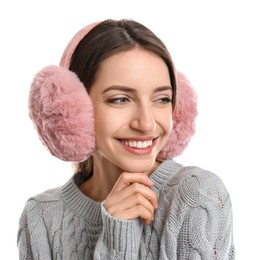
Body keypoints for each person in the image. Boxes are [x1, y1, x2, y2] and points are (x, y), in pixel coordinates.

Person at [17, 19, 234, 259]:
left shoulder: (196, 195)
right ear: (73, 109)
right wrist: (118, 236)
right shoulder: (41, 217)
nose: (147, 123)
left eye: (162, 99)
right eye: (120, 99)